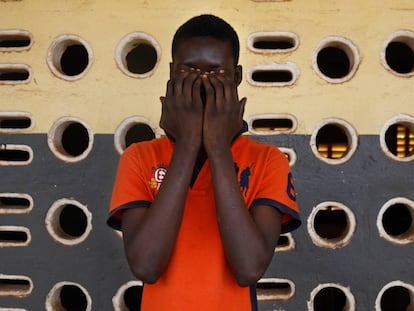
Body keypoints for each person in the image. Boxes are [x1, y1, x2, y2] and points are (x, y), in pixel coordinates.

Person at [107, 14, 301, 311]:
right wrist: (186, 144)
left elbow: (248, 268)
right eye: (189, 70)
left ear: (235, 77)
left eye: (215, 71)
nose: (202, 81)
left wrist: (218, 148)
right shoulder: (140, 157)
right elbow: (146, 266)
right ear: (172, 73)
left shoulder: (267, 161)